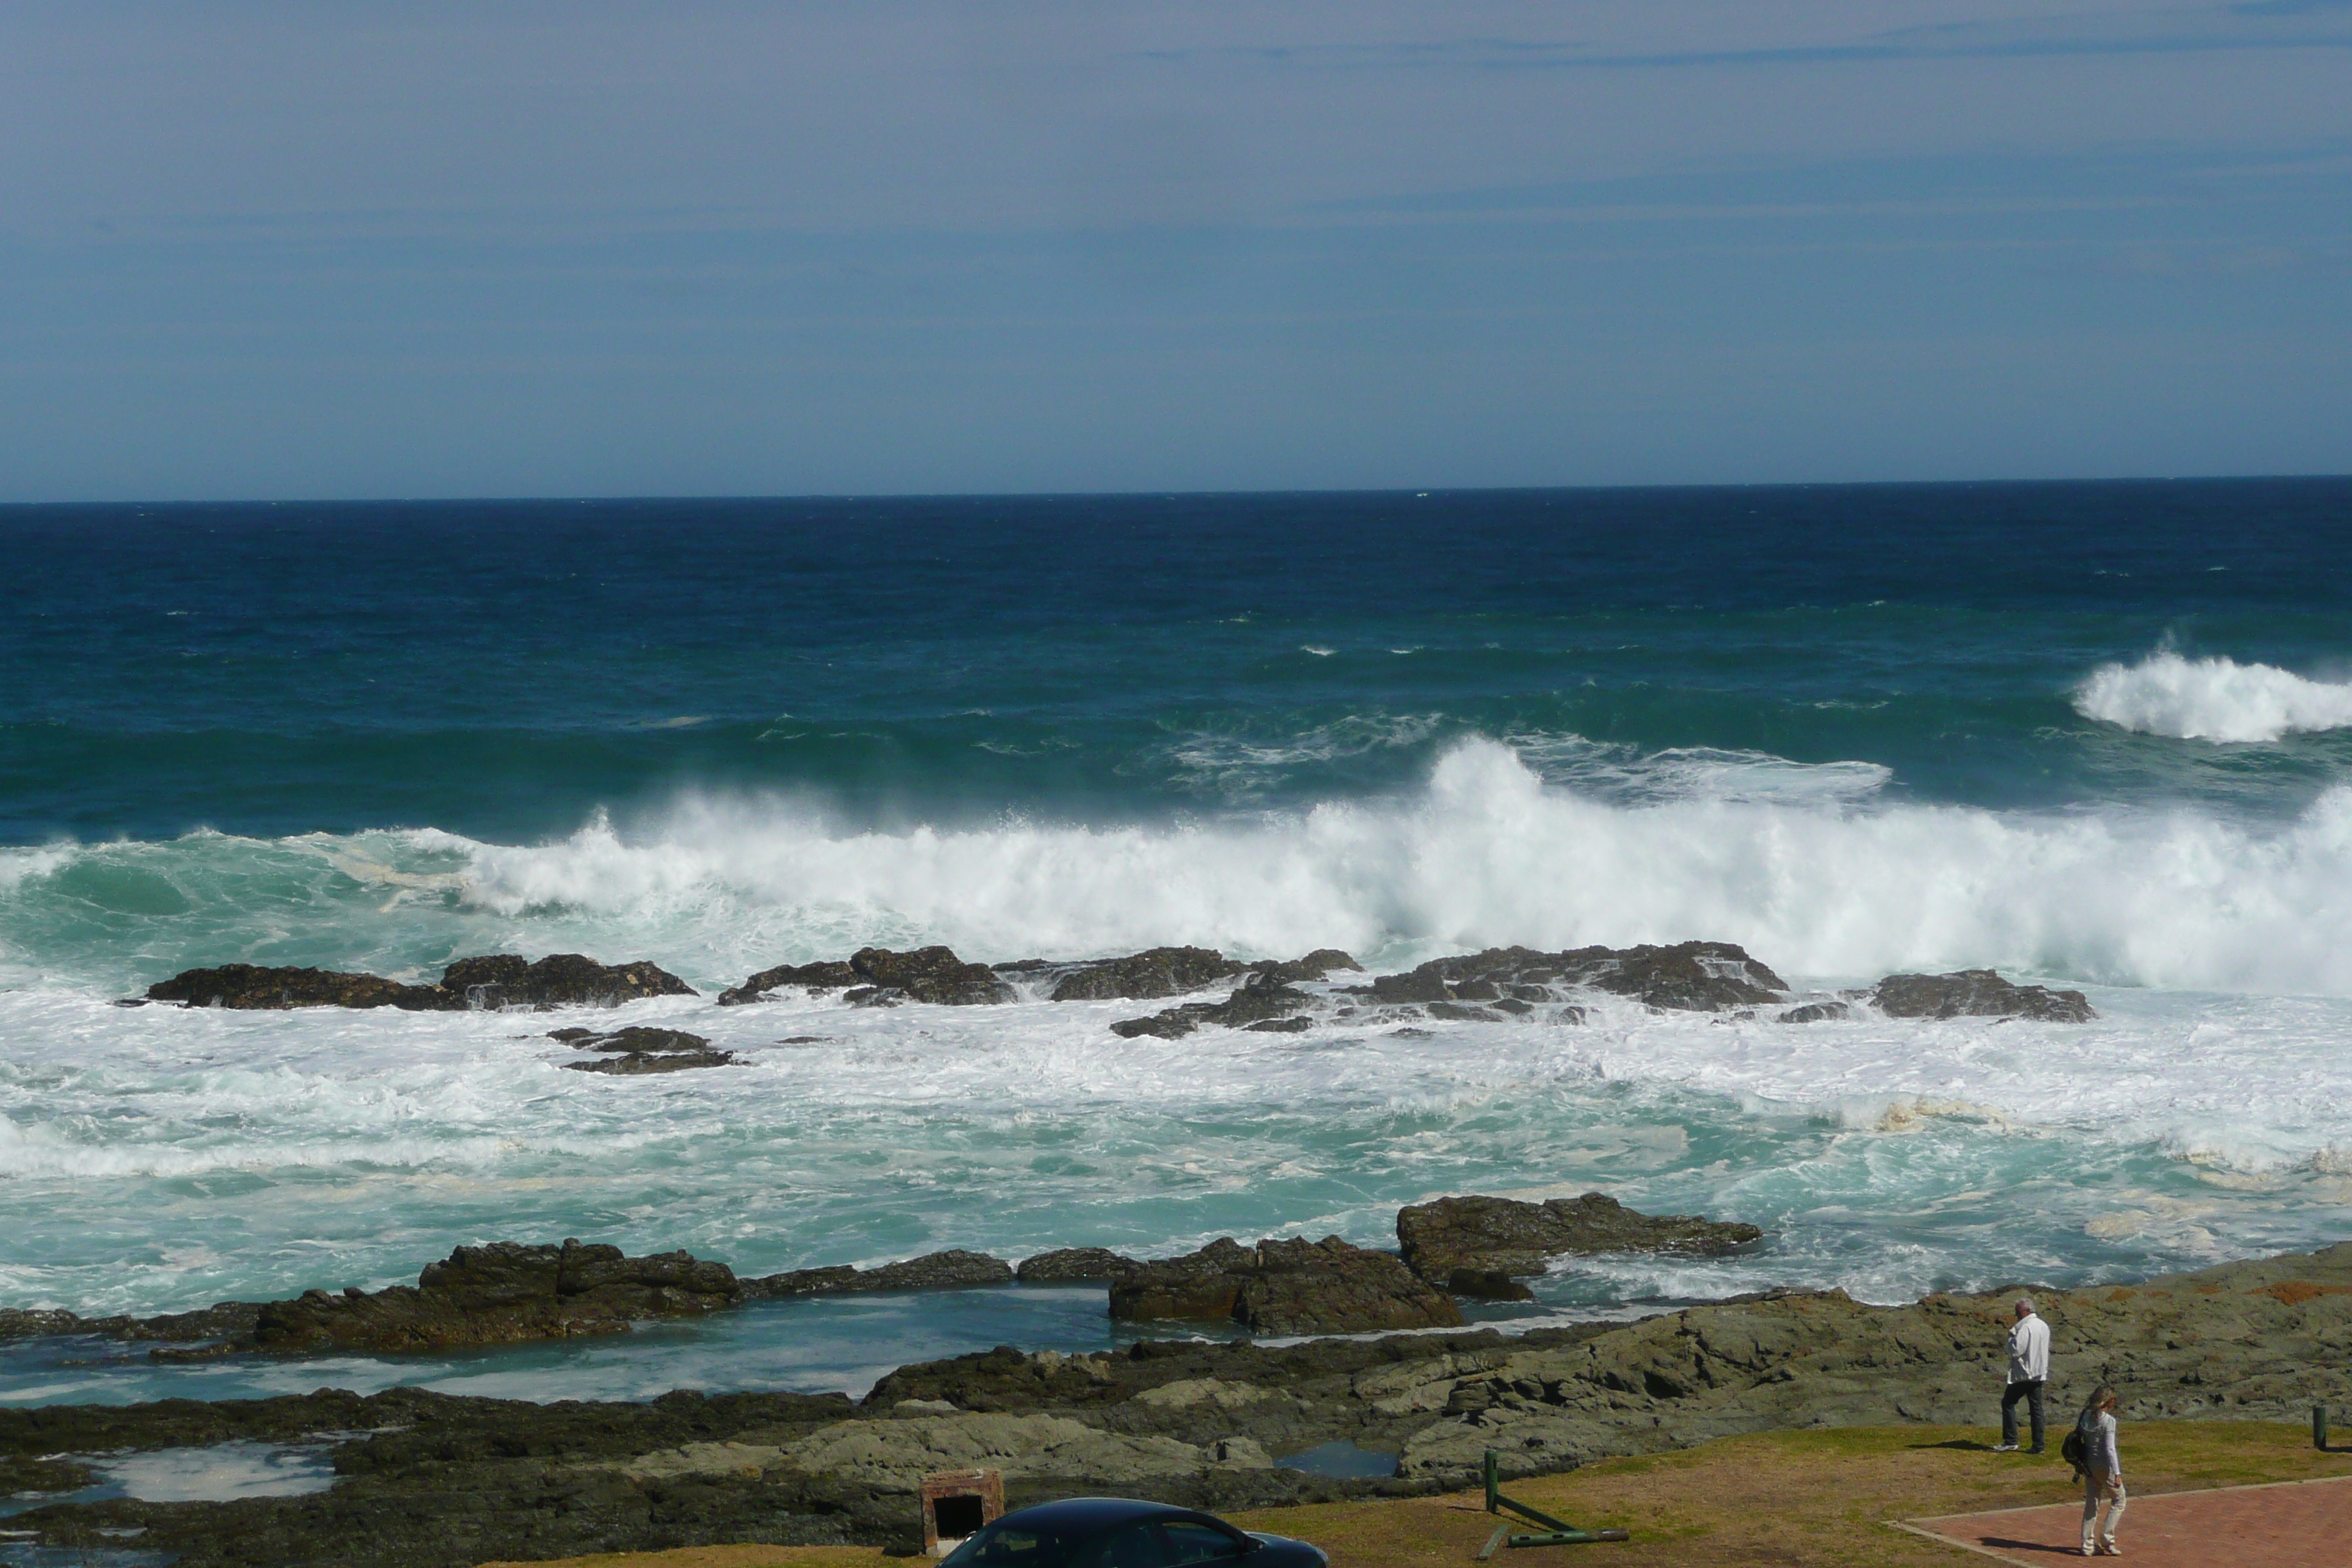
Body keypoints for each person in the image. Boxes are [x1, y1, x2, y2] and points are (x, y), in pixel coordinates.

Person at [2076, 1384, 2126, 1556]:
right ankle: (2107, 1538)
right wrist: (2117, 1473)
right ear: (2108, 1401)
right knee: (2119, 1500)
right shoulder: (2108, 1421)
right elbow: (2110, 1449)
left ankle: (2087, 1545)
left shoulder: (2086, 1417)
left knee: (2092, 1503)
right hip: (2104, 1466)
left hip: (2088, 1465)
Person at [1997, 1296, 2050, 1452]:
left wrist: (2011, 1337)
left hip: (2024, 1374)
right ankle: (2038, 1445)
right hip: (2039, 1372)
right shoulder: (2043, 1325)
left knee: (2008, 1403)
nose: (2016, 1314)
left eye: (2018, 1311)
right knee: (2036, 1409)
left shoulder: (2025, 1327)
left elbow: (2016, 1350)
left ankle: (2011, 1440)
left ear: (2027, 1311)